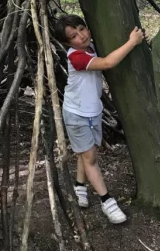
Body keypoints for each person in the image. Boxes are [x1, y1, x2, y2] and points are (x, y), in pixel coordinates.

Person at [53, 14, 146, 224]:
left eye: (81, 29)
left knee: (84, 152)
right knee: (90, 158)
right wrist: (132, 42)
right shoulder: (76, 57)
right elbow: (108, 62)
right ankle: (107, 202)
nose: (81, 36)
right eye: (74, 36)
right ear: (68, 43)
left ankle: (79, 186)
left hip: (91, 112)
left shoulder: (91, 47)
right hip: (77, 114)